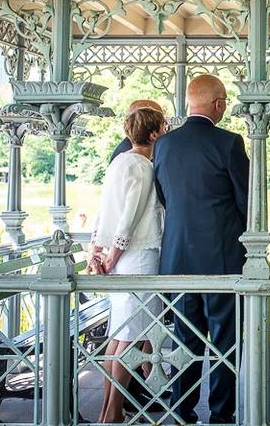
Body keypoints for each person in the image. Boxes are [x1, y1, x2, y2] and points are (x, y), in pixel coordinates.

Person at [153, 75, 247, 424]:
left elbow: (164, 197)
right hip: (221, 259)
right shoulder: (230, 143)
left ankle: (182, 410)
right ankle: (222, 414)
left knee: (184, 339)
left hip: (176, 257)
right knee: (225, 341)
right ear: (218, 104)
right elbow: (246, 201)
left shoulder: (164, 145)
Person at [90, 107, 168, 424]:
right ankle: (112, 412)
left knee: (120, 333)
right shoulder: (142, 166)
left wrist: (98, 249)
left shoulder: (119, 162)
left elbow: (104, 211)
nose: (166, 132)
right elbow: (129, 217)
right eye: (163, 128)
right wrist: (112, 256)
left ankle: (111, 408)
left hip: (123, 258)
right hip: (137, 256)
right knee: (130, 335)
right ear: (152, 134)